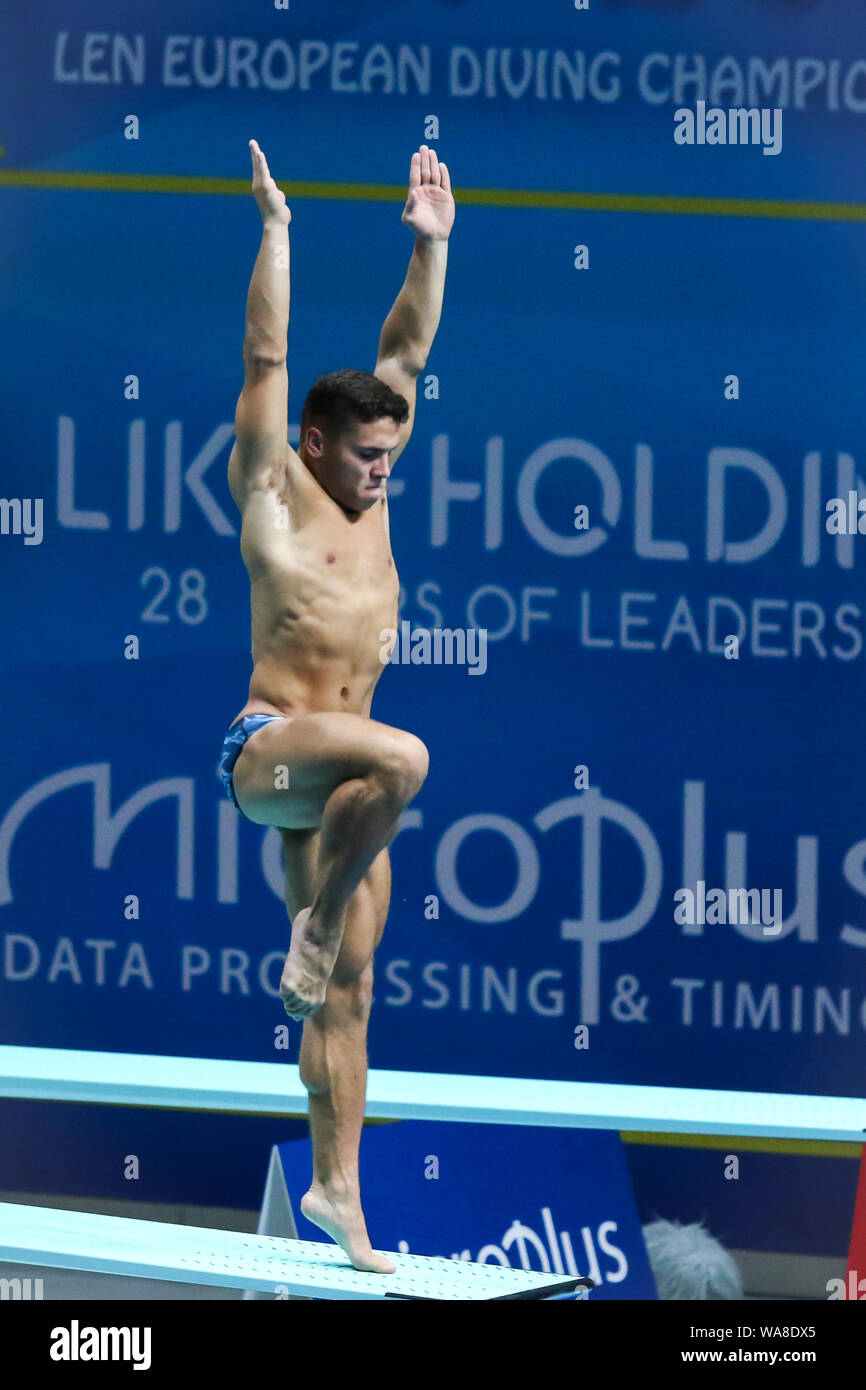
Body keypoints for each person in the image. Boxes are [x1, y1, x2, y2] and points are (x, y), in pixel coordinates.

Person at [216, 139, 454, 1273]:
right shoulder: (271, 491)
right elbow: (267, 354)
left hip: (338, 797)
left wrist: (430, 242)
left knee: (351, 995)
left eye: (391, 457)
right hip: (269, 755)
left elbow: (404, 346)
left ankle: (336, 1190)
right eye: (364, 457)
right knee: (402, 758)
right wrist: (278, 229)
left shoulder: (380, 463)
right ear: (313, 444)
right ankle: (309, 928)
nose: (381, 474)